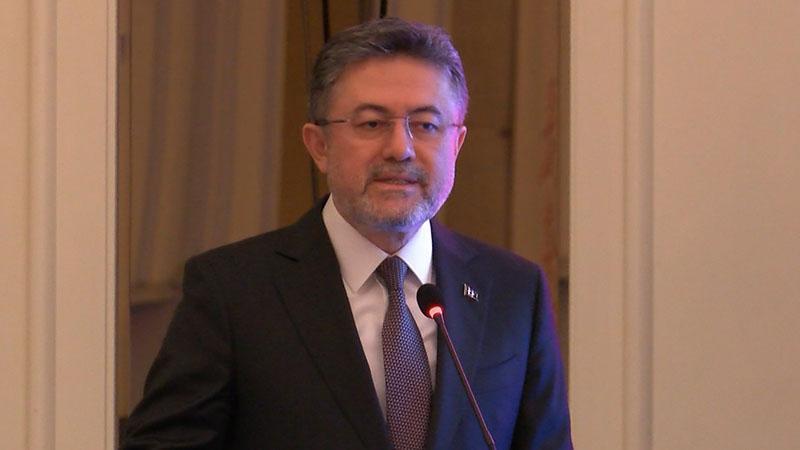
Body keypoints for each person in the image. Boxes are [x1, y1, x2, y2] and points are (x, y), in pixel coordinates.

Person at [122, 17, 572, 450]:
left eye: (426, 125)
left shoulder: (513, 290)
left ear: (456, 144)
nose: (400, 149)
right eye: (372, 123)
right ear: (319, 145)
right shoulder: (232, 290)